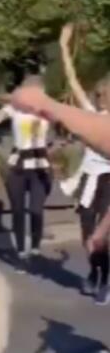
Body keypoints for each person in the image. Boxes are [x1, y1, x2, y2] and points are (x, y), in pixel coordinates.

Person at [58, 24, 110, 302]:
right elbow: (74, 82)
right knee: (87, 231)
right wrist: (64, 48)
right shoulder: (92, 116)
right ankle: (96, 271)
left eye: (106, 93)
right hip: (88, 179)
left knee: (102, 234)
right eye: (100, 94)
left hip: (108, 179)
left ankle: (103, 279)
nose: (102, 97)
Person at [0, 94, 53, 273]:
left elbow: (67, 119)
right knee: (18, 211)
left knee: (36, 210)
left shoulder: (47, 108)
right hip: (18, 164)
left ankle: (35, 248)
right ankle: (21, 255)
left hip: (40, 165)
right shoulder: (14, 109)